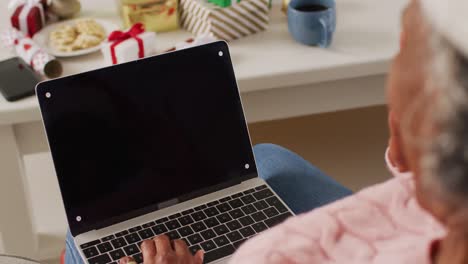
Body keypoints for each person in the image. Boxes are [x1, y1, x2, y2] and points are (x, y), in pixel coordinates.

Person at [65, 0, 468, 263]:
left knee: (80, 234)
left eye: (407, 45)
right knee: (265, 159)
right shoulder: (428, 190)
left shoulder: (273, 254)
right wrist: (412, 163)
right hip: (421, 191)